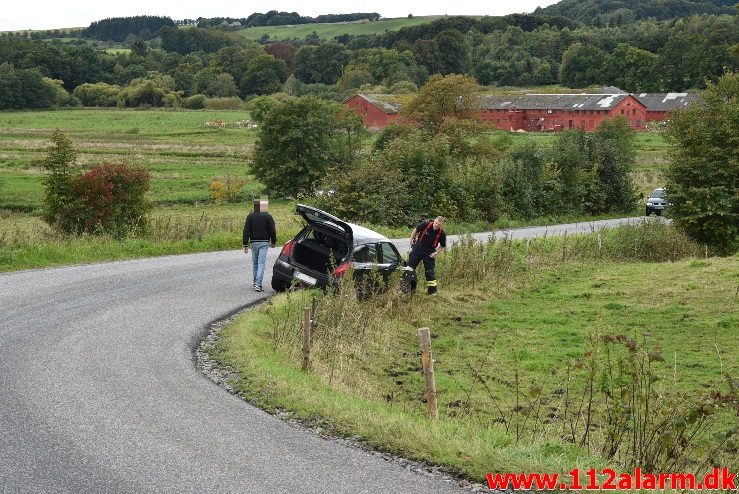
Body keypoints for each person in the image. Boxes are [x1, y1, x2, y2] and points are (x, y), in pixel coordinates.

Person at [243, 198, 276, 292]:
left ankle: (255, 283)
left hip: (254, 242)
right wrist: (273, 242)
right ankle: (258, 284)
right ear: (264, 206)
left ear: (255, 206)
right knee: (261, 263)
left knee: (255, 263)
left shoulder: (250, 216)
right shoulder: (268, 216)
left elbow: (246, 230)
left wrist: (245, 244)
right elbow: (272, 230)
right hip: (264, 242)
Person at [408, 216, 446, 295]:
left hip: (429, 252)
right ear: (434, 221)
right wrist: (412, 239)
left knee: (430, 272)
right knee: (409, 268)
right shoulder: (426, 224)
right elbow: (416, 229)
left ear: (441, 225)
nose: (436, 225)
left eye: (438, 225)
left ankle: (432, 292)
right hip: (418, 248)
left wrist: (435, 253)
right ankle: (409, 289)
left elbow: (442, 246)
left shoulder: (442, 234)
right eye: (435, 223)